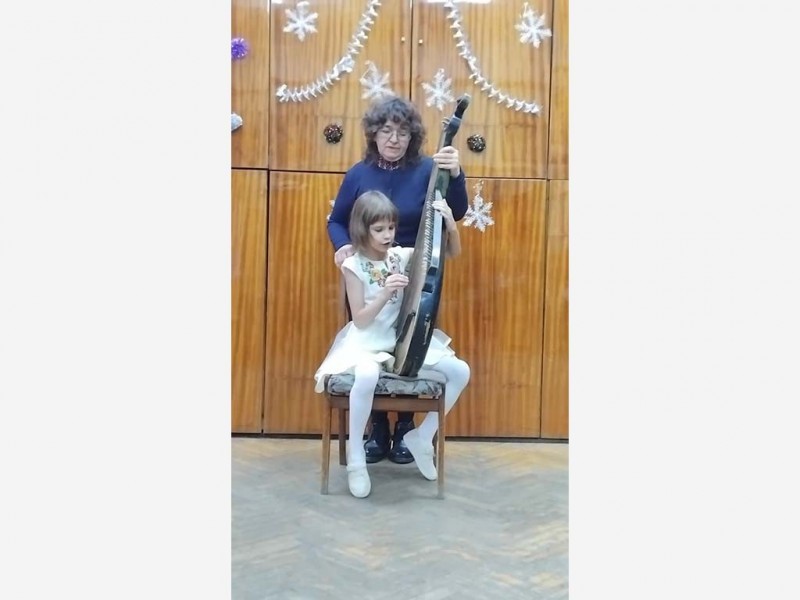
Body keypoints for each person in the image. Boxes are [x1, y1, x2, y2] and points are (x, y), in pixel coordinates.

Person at [327, 94, 469, 465]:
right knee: (372, 348)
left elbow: (457, 211)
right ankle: (377, 429)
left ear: (412, 137)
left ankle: (406, 427)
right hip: (369, 274)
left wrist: (455, 174)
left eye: (403, 133)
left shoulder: (427, 170)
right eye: (387, 131)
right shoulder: (359, 173)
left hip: (415, 272)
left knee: (411, 348)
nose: (394, 139)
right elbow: (337, 220)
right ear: (374, 133)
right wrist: (343, 246)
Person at [315, 191, 471, 498]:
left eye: (391, 227)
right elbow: (360, 320)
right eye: (379, 229)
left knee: (460, 371)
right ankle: (357, 459)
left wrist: (451, 226)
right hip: (367, 342)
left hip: (401, 341)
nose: (388, 235)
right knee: (367, 375)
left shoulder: (399, 256)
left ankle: (422, 438)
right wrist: (386, 292)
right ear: (363, 229)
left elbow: (451, 254)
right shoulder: (353, 266)